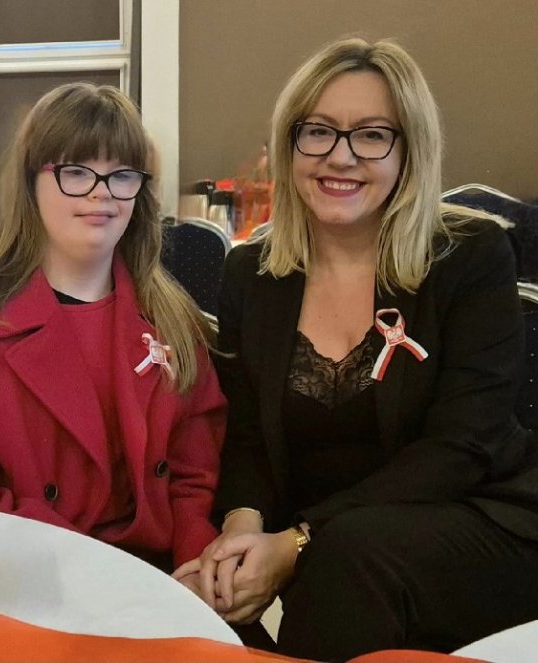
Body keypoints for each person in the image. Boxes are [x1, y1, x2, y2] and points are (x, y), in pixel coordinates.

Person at [173, 38, 538, 659]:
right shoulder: (252, 275)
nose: (340, 157)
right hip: (331, 549)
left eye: (372, 135)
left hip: (480, 517)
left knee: (346, 557)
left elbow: (461, 446)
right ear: (290, 145)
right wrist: (242, 530)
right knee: (211, 594)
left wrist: (298, 542)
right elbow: (247, 438)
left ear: (409, 150)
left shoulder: (470, 257)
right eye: (318, 132)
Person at [0, 83, 226, 583]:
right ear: (30, 183)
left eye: (121, 174)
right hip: (30, 577)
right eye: (76, 171)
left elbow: (196, 471)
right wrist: (99, 579)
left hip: (163, 576)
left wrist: (195, 564)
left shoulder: (174, 319)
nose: (102, 192)